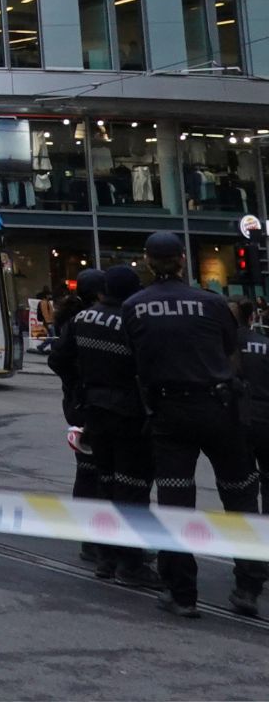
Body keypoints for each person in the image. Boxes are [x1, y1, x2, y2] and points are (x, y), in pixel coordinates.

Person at [124, 231, 266, 618]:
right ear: (183, 260)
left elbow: (134, 360)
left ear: (149, 262)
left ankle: (182, 593)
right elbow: (229, 351)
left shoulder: (134, 307)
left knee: (175, 505)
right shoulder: (213, 303)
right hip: (220, 409)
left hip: (170, 415)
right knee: (239, 498)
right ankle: (249, 588)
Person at [52, 267, 161, 588]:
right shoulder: (133, 321)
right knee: (132, 487)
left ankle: (105, 556)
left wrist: (78, 389)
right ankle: (130, 562)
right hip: (128, 415)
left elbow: (57, 358)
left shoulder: (83, 319)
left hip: (93, 412)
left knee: (103, 482)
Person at [47, 270, 107, 567]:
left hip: (78, 405)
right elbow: (58, 359)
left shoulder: (72, 320)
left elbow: (57, 360)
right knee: (97, 473)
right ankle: (96, 540)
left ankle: (91, 538)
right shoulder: (87, 321)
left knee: (87, 471)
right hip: (91, 405)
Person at [238, 299, 269, 514]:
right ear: (251, 318)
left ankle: (247, 534)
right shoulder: (265, 344)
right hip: (265, 416)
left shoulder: (219, 345)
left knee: (239, 483)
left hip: (235, 418)